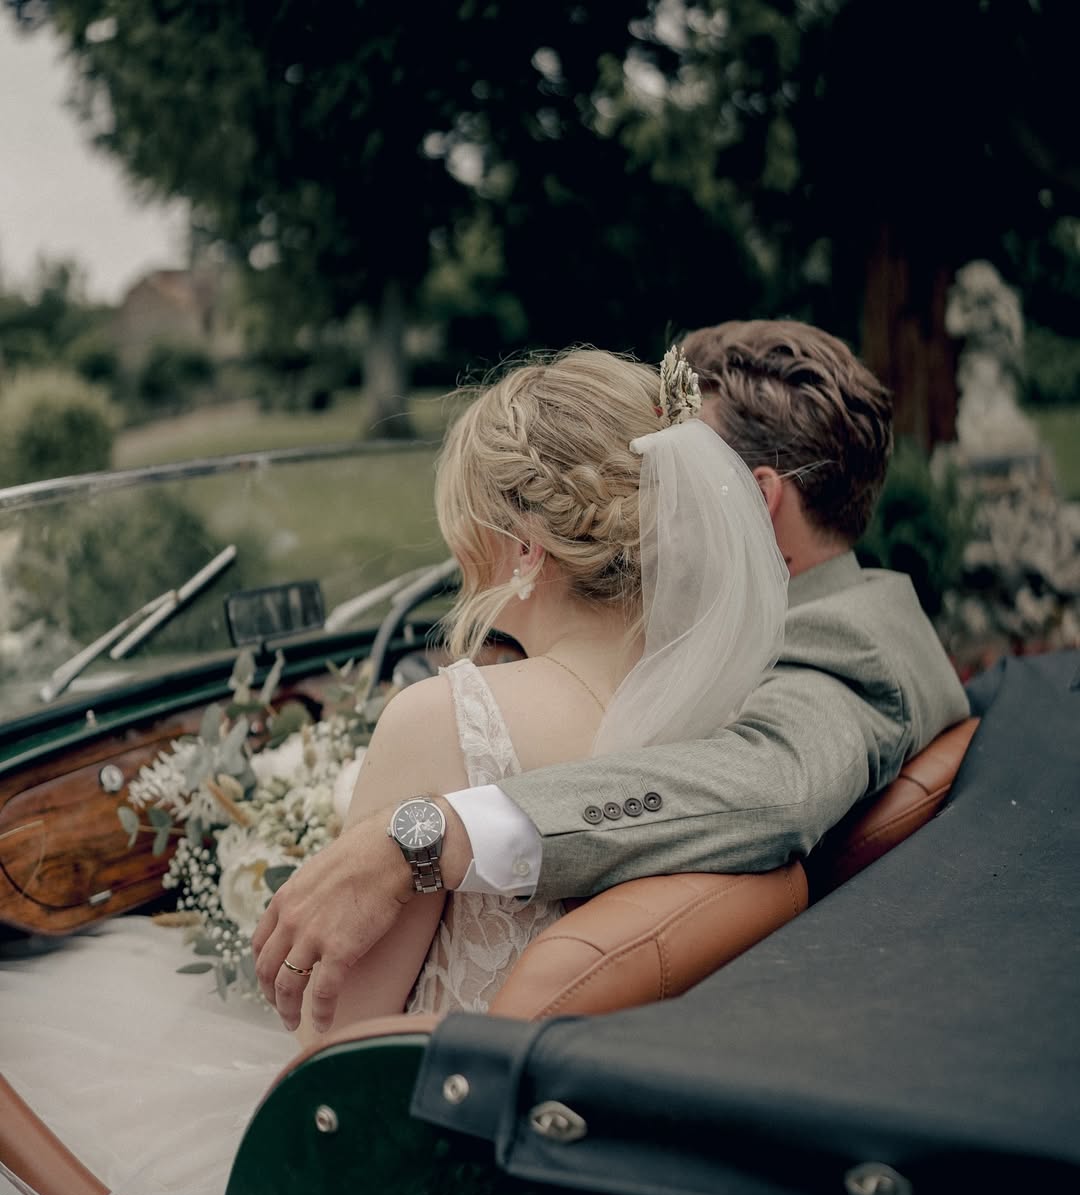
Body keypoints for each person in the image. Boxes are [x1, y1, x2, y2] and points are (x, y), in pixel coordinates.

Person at [0, 346, 789, 1195]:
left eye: (472, 530)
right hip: (582, 1154)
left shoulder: (451, 718)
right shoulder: (731, 717)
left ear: (526, 549)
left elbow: (331, 1045)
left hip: (400, 1168)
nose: (460, 558)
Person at [254, 320, 971, 1032]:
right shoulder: (725, 674)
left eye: (686, 468)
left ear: (757, 497)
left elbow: (773, 791)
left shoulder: (832, 656)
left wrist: (423, 830)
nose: (662, 496)